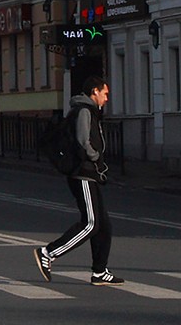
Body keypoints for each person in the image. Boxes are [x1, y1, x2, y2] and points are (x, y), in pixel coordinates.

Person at [34, 76, 124, 286]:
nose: (106, 98)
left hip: (89, 174)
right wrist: (96, 158)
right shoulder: (84, 111)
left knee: (104, 225)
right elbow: (84, 141)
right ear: (95, 92)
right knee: (91, 223)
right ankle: (48, 253)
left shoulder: (89, 110)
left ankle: (99, 272)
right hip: (82, 174)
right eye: (105, 94)